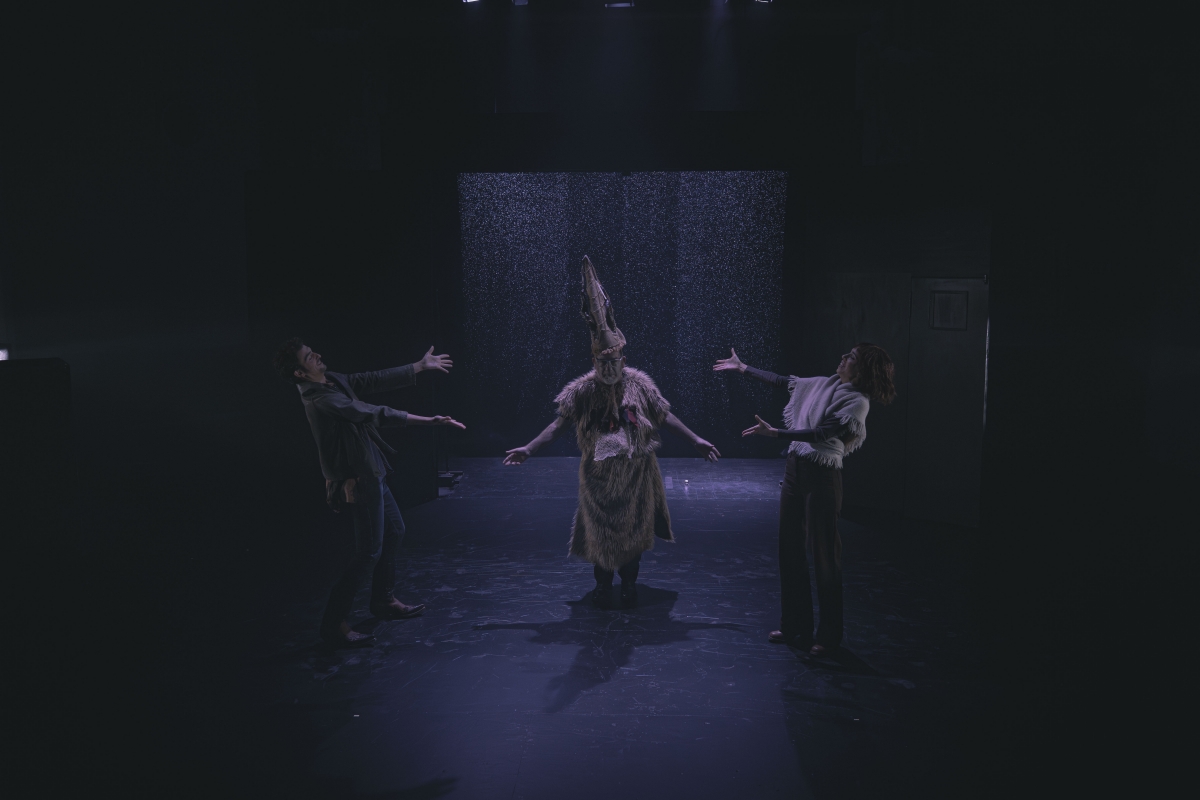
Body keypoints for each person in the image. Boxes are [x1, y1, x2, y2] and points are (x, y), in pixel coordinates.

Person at [503, 256, 720, 608]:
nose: (608, 369)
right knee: (599, 534)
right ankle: (603, 585)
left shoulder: (640, 385)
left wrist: (695, 439)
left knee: (634, 533)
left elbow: (663, 416)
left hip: (636, 477)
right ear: (594, 362)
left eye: (613, 363)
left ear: (622, 361)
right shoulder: (582, 391)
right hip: (598, 479)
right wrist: (529, 448)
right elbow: (558, 425)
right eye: (602, 363)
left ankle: (629, 584)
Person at [274, 339, 465, 648]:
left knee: (395, 531)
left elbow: (371, 380)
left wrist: (418, 367)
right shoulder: (320, 399)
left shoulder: (331, 380)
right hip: (358, 479)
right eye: (309, 357)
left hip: (372, 471)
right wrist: (429, 421)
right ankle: (333, 624)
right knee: (368, 553)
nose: (318, 355)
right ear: (299, 372)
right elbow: (373, 412)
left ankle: (383, 601)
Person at [715, 344, 895, 656]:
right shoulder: (824, 384)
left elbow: (821, 434)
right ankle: (794, 625)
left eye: (851, 357)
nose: (842, 358)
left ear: (862, 370)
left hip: (823, 475)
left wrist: (776, 433)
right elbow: (783, 381)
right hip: (796, 468)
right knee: (789, 549)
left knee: (825, 557)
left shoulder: (857, 402)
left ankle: (828, 636)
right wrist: (742, 368)